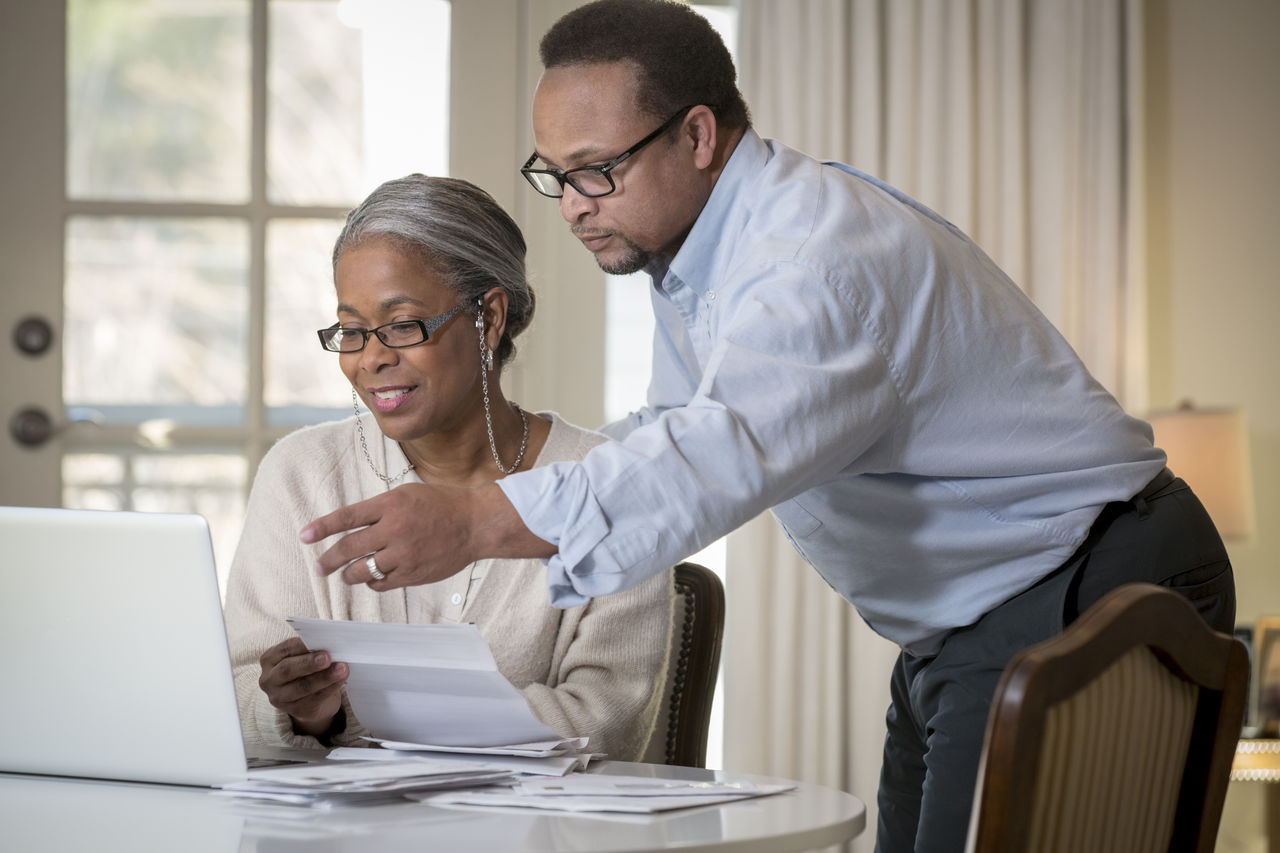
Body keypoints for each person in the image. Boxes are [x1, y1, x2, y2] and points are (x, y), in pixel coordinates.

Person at [299, 2, 1235, 850]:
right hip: (973, 618)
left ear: (697, 134)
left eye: (597, 171)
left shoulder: (814, 262)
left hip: (1087, 583)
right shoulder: (701, 251)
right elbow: (675, 427)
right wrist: (481, 491)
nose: (576, 205)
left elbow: (710, 462)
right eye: (556, 174)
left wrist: (471, 522)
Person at [223, 174, 672, 761]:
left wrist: (359, 719)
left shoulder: (607, 482)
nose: (373, 358)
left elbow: (606, 726)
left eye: (403, 325)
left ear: (487, 319)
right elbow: (232, 697)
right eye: (353, 332)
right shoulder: (301, 473)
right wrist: (299, 713)